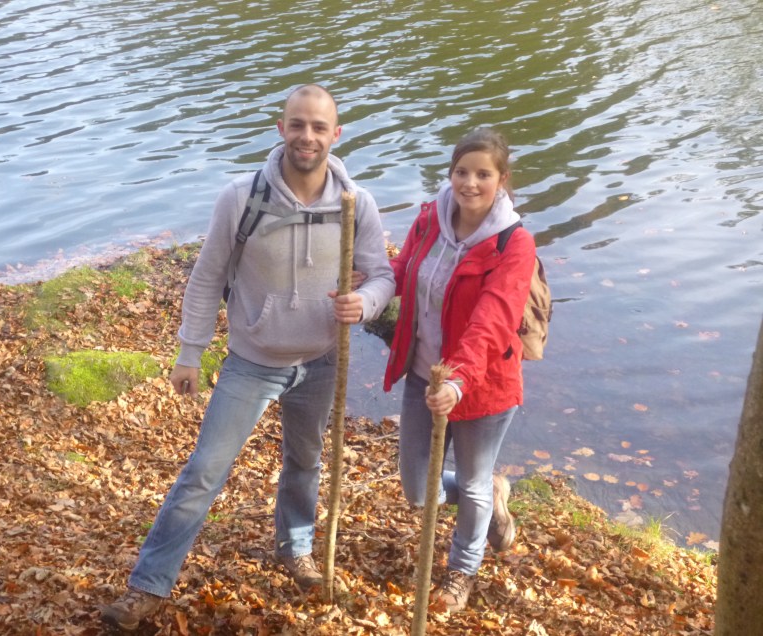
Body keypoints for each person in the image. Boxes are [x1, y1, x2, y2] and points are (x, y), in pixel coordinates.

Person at [100, 84, 395, 631]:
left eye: (319, 126)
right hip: (252, 361)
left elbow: (381, 274)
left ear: (336, 134)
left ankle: (296, 548)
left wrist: (367, 303)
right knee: (204, 472)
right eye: (297, 124)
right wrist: (190, 352)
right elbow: (207, 276)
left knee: (305, 463)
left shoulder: (357, 204)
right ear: (281, 129)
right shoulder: (243, 197)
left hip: (322, 361)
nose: (307, 136)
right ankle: (147, 585)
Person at [383, 127, 534, 613]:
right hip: (424, 375)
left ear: (502, 180)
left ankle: (461, 571)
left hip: (483, 386)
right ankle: (492, 493)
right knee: (416, 487)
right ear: (450, 173)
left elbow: (494, 319)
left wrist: (459, 379)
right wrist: (367, 287)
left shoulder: (514, 244)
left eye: (483, 174)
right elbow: (405, 271)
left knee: (470, 483)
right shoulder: (430, 218)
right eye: (462, 172)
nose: (470, 183)